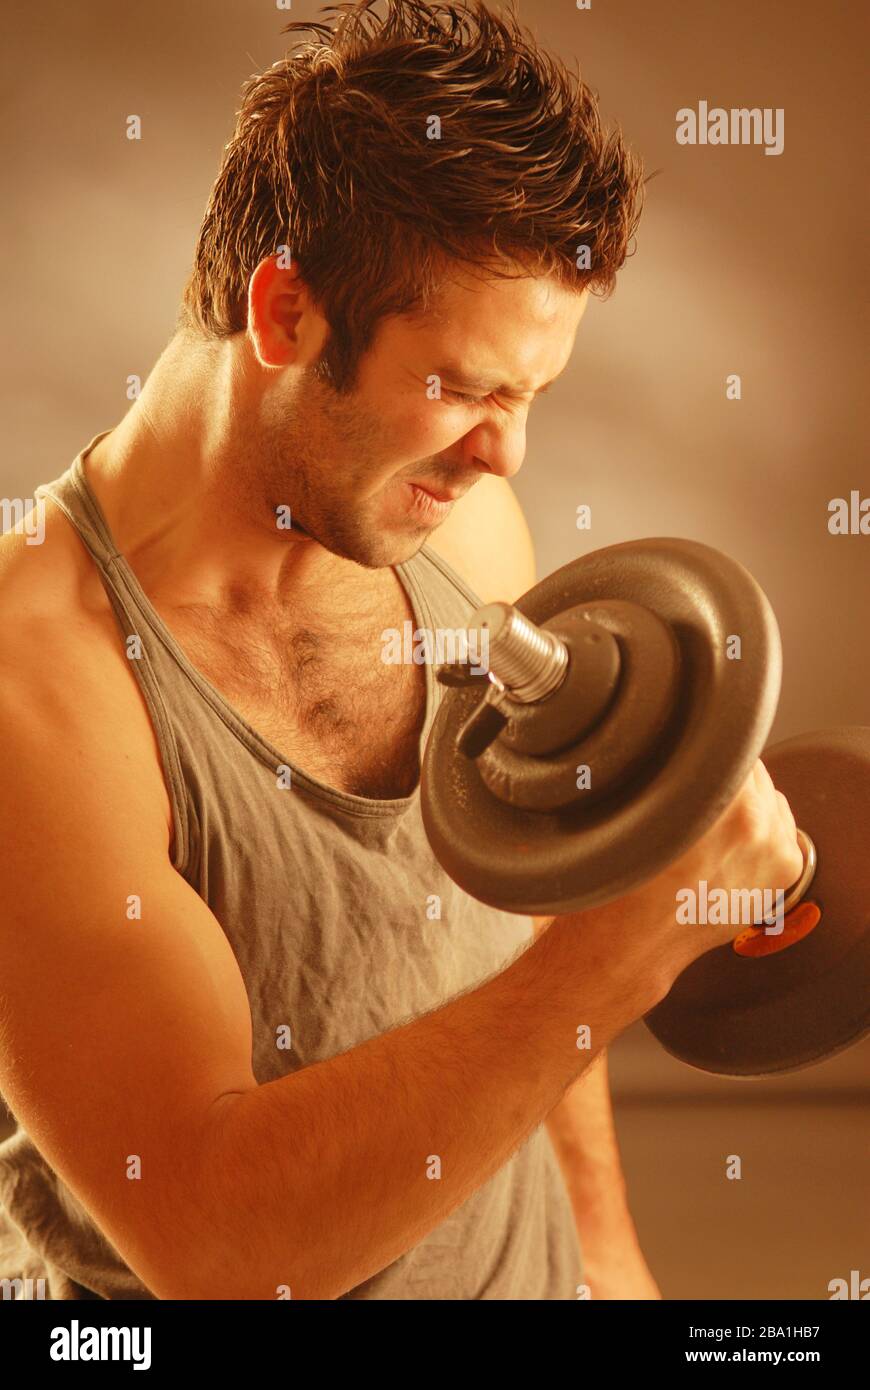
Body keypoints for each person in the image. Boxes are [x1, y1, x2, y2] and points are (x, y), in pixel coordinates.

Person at [0, 0, 802, 1300]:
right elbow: (214, 1241)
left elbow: (537, 931)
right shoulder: (39, 683)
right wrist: (620, 952)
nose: (505, 455)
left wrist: (604, 1259)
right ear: (285, 313)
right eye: (464, 389)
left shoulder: (460, 531)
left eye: (528, 397)